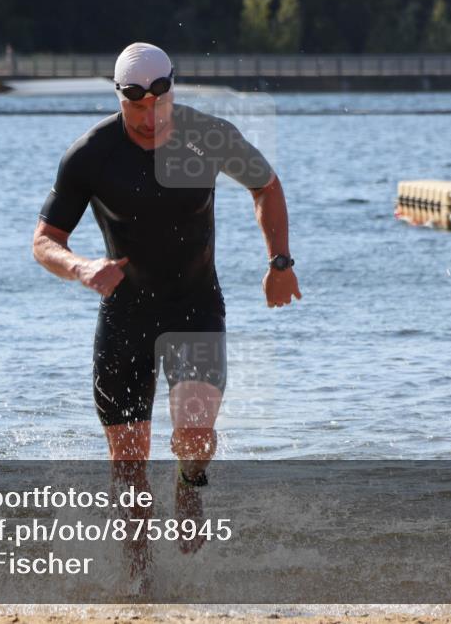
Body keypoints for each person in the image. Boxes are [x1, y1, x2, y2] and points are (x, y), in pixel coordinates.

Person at [32, 41, 300, 479]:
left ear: (173, 90)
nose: (150, 116)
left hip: (194, 308)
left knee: (194, 441)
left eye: (160, 102)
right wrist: (81, 267)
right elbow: (44, 240)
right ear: (119, 97)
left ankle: (189, 484)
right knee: (128, 463)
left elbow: (266, 185)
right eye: (137, 107)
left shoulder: (208, 135)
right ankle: (136, 552)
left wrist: (280, 262)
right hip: (126, 317)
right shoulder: (90, 155)